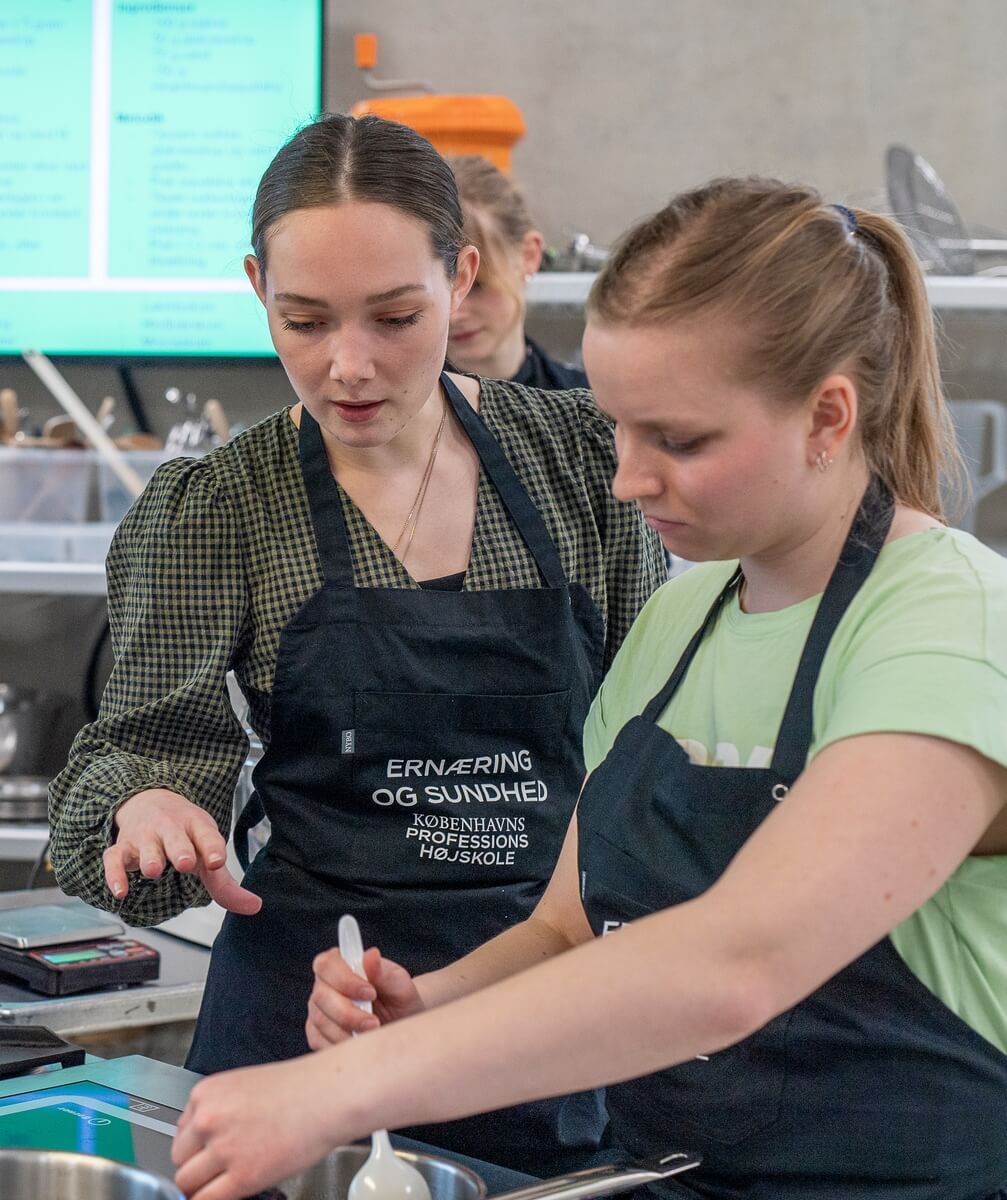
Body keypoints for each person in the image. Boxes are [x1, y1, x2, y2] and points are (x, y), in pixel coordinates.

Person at [171, 178, 1007, 1200]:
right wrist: (425, 1006)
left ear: (827, 417)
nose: (625, 480)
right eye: (616, 428)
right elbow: (568, 927)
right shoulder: (680, 622)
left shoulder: (946, 623)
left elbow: (732, 964)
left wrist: (341, 1088)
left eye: (679, 440)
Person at [48, 114, 665, 1175]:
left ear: (461, 276)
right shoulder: (218, 507)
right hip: (304, 1031)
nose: (349, 366)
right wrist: (146, 808)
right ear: (256, 288)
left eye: (394, 317)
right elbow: (145, 755)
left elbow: (649, 746)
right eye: (303, 320)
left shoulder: (579, 465)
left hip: (549, 1025)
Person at [446, 154, 588, 389]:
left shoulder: (586, 406)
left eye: (476, 286)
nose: (454, 314)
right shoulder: (397, 415)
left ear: (529, 256)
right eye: (439, 292)